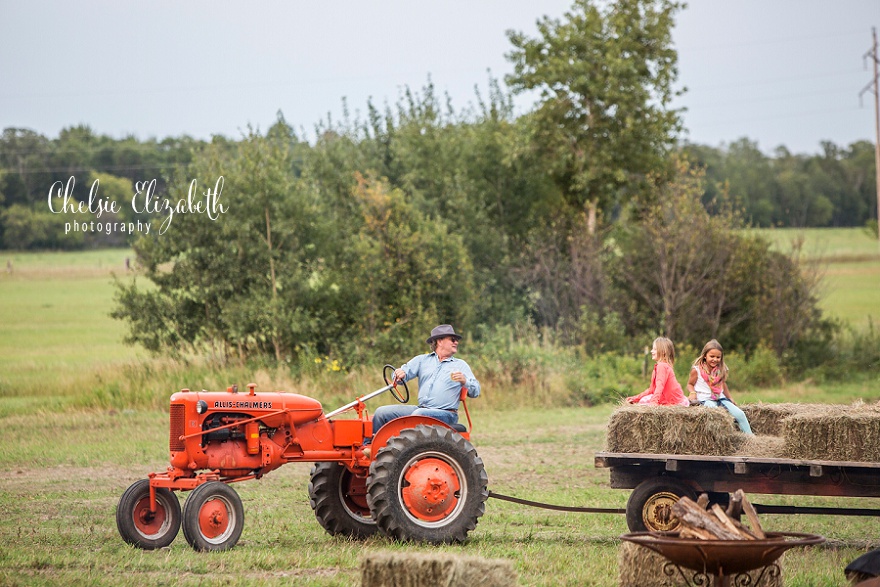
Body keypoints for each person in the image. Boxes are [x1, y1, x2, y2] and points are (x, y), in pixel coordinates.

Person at [371, 324, 481, 434]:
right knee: (381, 412)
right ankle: (368, 447)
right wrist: (399, 374)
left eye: (456, 340)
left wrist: (464, 381)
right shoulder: (422, 360)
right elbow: (399, 377)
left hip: (446, 414)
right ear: (439, 341)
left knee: (419, 414)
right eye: (453, 339)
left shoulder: (460, 365)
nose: (456, 342)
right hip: (422, 409)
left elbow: (476, 391)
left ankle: (408, 447)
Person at [687, 339, 753, 435]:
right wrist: (693, 393)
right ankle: (723, 439)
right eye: (712, 356)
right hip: (705, 399)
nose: (715, 359)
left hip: (720, 398)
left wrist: (729, 397)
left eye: (718, 357)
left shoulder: (722, 369)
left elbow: (723, 384)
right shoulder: (696, 370)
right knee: (717, 414)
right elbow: (690, 384)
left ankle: (751, 439)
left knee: (740, 414)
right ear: (705, 356)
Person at [625, 337, 689, 406]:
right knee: (643, 400)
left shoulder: (662, 366)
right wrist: (635, 398)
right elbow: (652, 389)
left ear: (663, 351)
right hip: (674, 400)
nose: (651, 351)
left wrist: (654, 402)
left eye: (655, 349)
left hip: (672, 402)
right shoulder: (662, 366)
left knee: (643, 402)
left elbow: (660, 386)